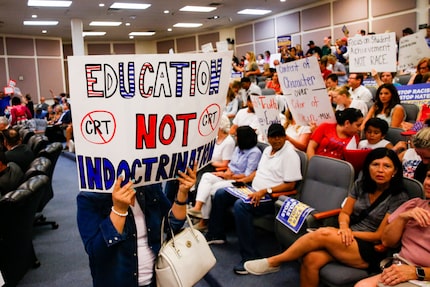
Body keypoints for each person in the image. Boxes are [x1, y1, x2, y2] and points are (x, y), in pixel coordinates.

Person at [244, 148, 409, 287]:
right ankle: (277, 262)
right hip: (346, 238)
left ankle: (275, 261)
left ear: (394, 171)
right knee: (311, 258)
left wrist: (347, 233)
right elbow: (344, 212)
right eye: (375, 165)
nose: (380, 170)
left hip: (370, 248)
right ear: (368, 167)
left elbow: (379, 236)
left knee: (324, 232)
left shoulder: (398, 197)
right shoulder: (361, 185)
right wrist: (344, 229)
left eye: (387, 166)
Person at [205, 123, 302, 274]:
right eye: (273, 137)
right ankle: (216, 234)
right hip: (253, 189)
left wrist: (265, 190)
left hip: (272, 197)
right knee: (221, 194)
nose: (277, 140)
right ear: (268, 138)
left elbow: (290, 185)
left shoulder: (290, 155)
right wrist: (244, 181)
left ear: (284, 137)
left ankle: (250, 256)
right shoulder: (268, 151)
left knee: (240, 206)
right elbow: (258, 172)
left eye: (280, 137)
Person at [77, 164, 197, 287]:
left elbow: (172, 225)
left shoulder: (149, 185)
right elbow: (96, 252)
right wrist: (119, 210)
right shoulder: (90, 197)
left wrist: (182, 194)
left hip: (158, 279)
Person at [354, 165, 430, 287]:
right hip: (398, 268)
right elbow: (386, 241)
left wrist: (416, 272)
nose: (428, 183)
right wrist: (403, 217)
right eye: (428, 176)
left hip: (423, 276)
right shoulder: (415, 204)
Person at [187, 126, 261, 230]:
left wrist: (228, 176)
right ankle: (197, 208)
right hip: (228, 176)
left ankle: (204, 221)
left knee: (212, 188)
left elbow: (247, 175)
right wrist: (224, 173)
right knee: (206, 176)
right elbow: (231, 166)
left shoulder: (255, 152)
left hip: (239, 181)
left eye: (237, 136)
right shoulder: (238, 148)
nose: (235, 138)